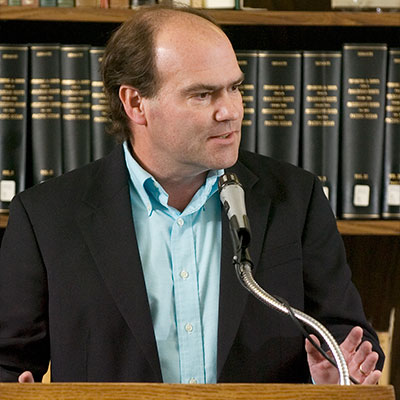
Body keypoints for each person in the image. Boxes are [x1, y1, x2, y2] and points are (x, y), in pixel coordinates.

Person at [0, 4, 383, 385]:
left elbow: (348, 338)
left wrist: (342, 373)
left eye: (235, 88)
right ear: (135, 103)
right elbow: (8, 363)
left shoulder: (296, 197)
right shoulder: (46, 217)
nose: (230, 111)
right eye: (203, 95)